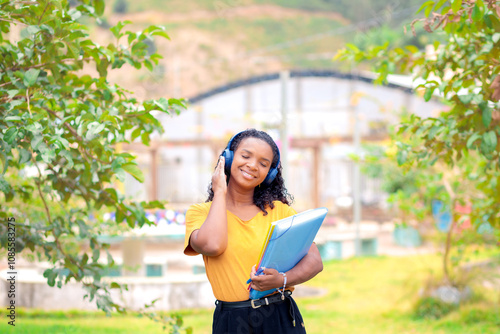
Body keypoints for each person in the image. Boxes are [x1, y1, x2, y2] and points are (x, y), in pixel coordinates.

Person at [184, 129, 323, 333]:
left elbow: (314, 262)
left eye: (263, 163)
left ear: (270, 173)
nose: (252, 165)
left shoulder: (281, 211)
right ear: (228, 158)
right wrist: (220, 191)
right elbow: (213, 245)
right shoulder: (201, 213)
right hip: (232, 322)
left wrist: (282, 279)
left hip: (279, 316)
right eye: (245, 156)